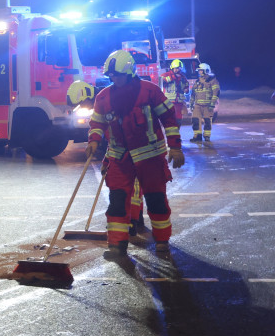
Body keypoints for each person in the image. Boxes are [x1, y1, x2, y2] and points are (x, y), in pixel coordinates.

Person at [85, 50, 184, 255]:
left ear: (130, 72)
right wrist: (93, 141)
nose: (114, 79)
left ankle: (162, 240)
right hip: (120, 159)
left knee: (156, 199)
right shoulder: (104, 97)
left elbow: (169, 118)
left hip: (151, 158)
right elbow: (97, 123)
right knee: (118, 201)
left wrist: (175, 147)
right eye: (111, 76)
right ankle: (117, 244)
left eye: (118, 75)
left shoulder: (150, 91)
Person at [189, 62, 220, 142]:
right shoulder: (197, 81)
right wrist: (191, 103)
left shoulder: (212, 81)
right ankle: (197, 136)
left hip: (208, 105)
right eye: (199, 70)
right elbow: (193, 93)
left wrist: (212, 104)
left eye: (201, 70)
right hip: (197, 105)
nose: (199, 72)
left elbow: (216, 92)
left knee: (207, 121)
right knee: (195, 120)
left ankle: (207, 136)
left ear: (206, 70)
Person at [160, 59, 190, 129]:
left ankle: (176, 135)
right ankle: (171, 137)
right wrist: (173, 77)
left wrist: (186, 90)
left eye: (178, 68)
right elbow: (161, 82)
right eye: (176, 68)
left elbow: (186, 86)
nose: (177, 70)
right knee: (169, 120)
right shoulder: (165, 75)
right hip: (169, 102)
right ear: (172, 68)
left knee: (178, 120)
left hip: (179, 102)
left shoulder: (183, 77)